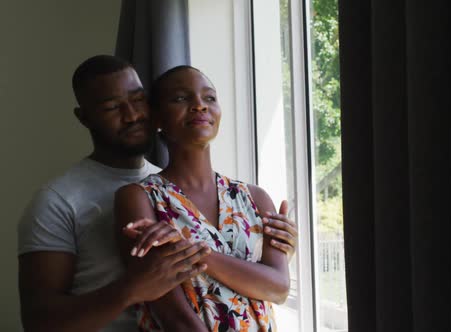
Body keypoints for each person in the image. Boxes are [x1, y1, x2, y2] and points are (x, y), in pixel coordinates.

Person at [17, 55, 297, 332]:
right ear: (84, 117)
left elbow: (271, 287)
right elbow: (38, 321)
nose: (133, 115)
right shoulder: (62, 200)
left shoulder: (238, 194)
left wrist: (273, 248)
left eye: (138, 101)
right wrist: (130, 290)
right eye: (113, 107)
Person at [114, 65, 291, 331]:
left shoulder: (254, 198)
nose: (199, 106)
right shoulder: (139, 199)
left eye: (209, 98)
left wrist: (189, 249)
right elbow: (174, 317)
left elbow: (278, 288)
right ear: (157, 117)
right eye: (181, 98)